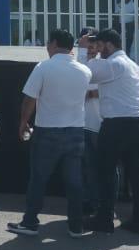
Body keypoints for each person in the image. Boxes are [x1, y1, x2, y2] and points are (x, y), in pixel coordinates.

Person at [9, 29, 92, 238]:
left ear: (54, 44)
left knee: (38, 178)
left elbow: (30, 98)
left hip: (48, 130)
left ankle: (30, 222)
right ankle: (76, 225)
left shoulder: (43, 67)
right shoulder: (84, 71)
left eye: (48, 43)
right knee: (74, 181)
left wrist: (23, 122)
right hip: (76, 130)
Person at [85, 28, 139, 235]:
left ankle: (104, 219)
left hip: (116, 126)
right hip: (138, 124)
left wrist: (89, 55)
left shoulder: (113, 64)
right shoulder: (134, 66)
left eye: (99, 44)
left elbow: (86, 75)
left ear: (109, 45)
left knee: (106, 172)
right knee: (136, 175)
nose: (96, 48)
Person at [77, 28, 103, 218]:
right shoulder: (81, 62)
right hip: (82, 122)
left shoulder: (105, 63)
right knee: (85, 166)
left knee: (100, 166)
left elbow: (110, 87)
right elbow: (78, 83)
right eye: (87, 43)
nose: (91, 47)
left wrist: (92, 93)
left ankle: (101, 203)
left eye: (93, 43)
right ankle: (88, 202)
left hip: (100, 123)